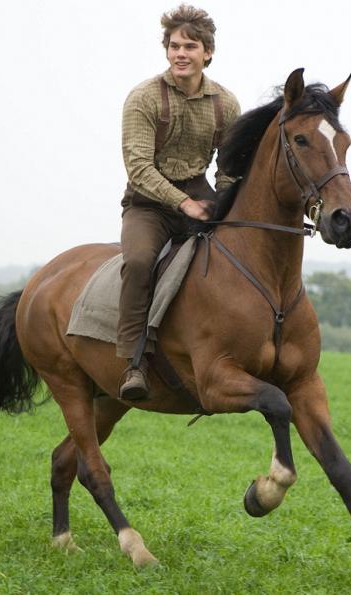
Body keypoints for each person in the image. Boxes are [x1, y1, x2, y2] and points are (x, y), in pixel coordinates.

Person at [117, 4, 240, 401]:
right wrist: (184, 204)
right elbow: (138, 168)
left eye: (190, 46)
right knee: (138, 263)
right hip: (147, 203)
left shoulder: (226, 103)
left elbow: (228, 167)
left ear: (208, 52)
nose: (180, 53)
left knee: (235, 254)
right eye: (174, 46)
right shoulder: (143, 98)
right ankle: (134, 363)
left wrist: (224, 201)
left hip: (199, 194)